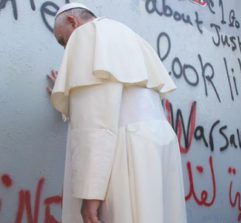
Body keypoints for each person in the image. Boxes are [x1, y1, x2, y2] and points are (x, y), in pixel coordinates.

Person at [47, 3, 187, 223]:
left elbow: (96, 122)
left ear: (73, 22)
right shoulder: (127, 34)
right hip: (160, 145)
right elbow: (118, 99)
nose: (66, 48)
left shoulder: (86, 36)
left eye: (63, 40)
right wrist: (72, 94)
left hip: (127, 150)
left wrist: (90, 197)